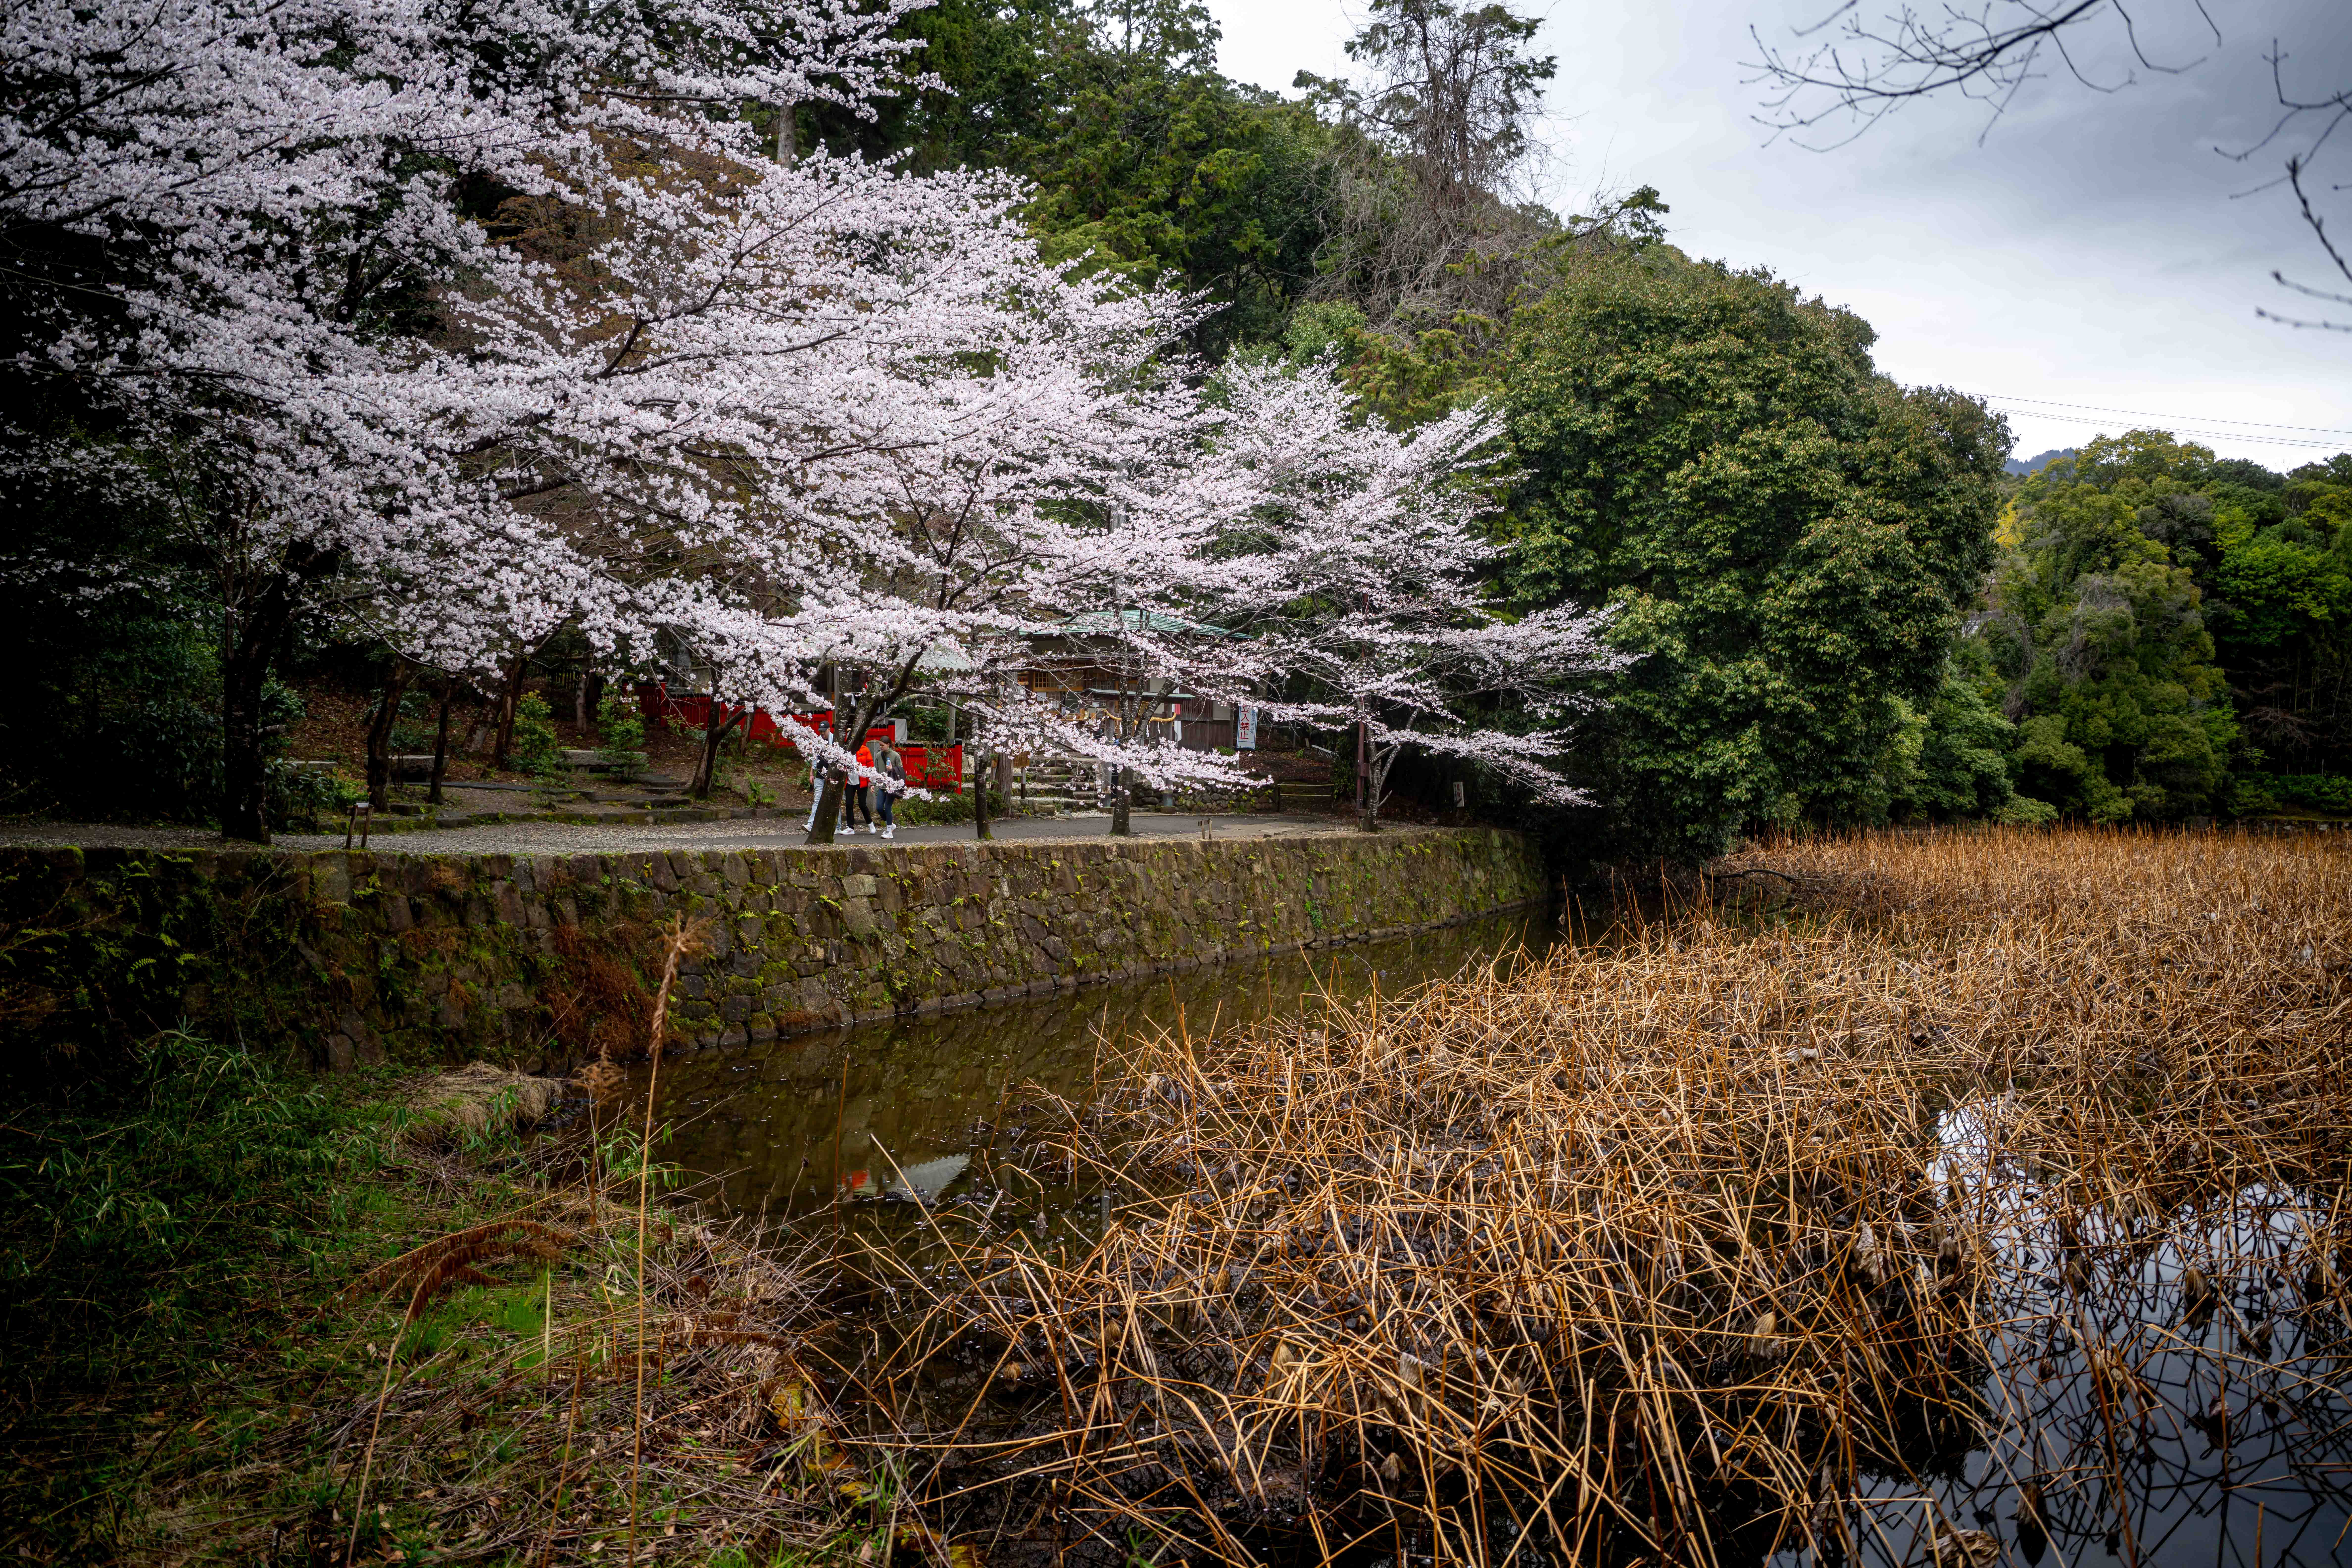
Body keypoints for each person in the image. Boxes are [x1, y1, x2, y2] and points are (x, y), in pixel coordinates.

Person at [843, 738, 876, 832]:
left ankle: (870, 823)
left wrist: (872, 782)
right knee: (849, 804)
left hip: (862, 782)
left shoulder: (864, 750)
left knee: (862, 805)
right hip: (849, 781)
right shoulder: (846, 751)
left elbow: (870, 766)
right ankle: (850, 827)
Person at [874, 742, 905, 840]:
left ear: (888, 745)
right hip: (882, 786)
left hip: (892, 786)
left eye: (883, 745)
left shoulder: (896, 755)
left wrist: (892, 769)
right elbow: (876, 770)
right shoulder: (879, 755)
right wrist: (873, 784)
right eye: (880, 745)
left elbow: (901, 769)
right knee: (879, 808)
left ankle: (889, 832)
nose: (881, 747)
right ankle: (891, 824)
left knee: (888, 807)